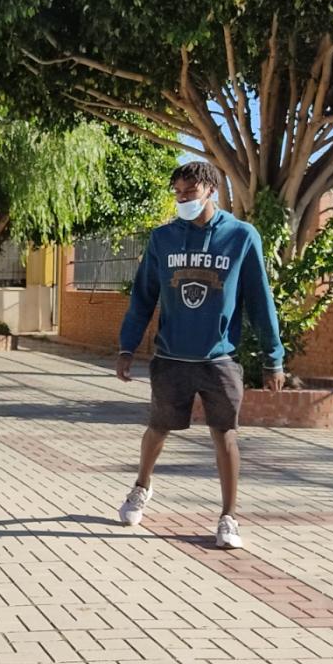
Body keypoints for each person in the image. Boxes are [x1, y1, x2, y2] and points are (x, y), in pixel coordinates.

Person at [116, 160, 285, 550]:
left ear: (210, 190)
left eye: (188, 193)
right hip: (172, 357)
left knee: (225, 435)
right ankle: (141, 485)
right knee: (157, 429)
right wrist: (127, 346)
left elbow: (261, 300)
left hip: (220, 359)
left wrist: (272, 357)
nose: (182, 200)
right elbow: (143, 297)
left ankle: (229, 516)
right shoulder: (163, 239)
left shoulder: (242, 237)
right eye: (177, 194)